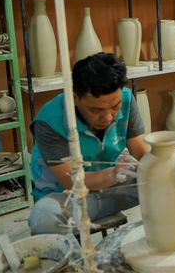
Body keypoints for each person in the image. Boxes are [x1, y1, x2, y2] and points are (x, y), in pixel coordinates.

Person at [28, 53, 150, 235]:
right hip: (70, 197)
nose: (107, 117)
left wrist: (158, 164)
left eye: (115, 107)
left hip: (110, 189)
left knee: (169, 180)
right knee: (44, 217)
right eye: (96, 110)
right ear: (75, 98)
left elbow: (141, 151)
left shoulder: (125, 98)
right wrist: (113, 173)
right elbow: (70, 181)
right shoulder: (50, 121)